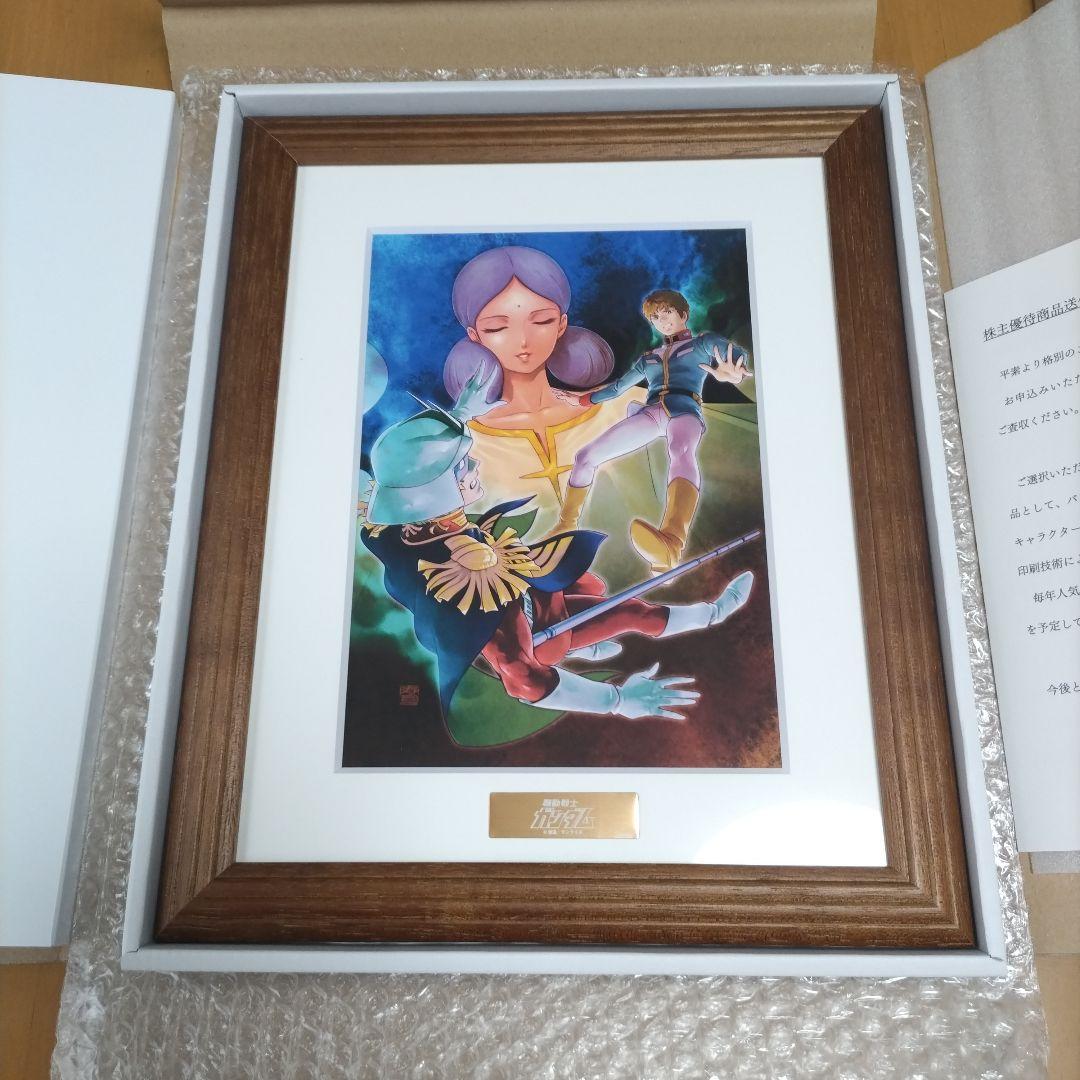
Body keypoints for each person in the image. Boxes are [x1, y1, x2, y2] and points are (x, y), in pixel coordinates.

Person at [359, 377, 755, 726]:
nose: (475, 465)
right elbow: (521, 677)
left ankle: (711, 614)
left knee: (615, 600)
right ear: (435, 492)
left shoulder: (418, 528)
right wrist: (618, 701)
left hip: (536, 604)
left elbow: (407, 471)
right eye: (462, 466)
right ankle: (708, 615)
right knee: (629, 611)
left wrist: (460, 415)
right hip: (541, 638)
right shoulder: (460, 584)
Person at [442, 245, 651, 549]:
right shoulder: (460, 445)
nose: (523, 340)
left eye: (541, 321)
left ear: (561, 324)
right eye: (498, 327)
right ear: (475, 335)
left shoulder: (621, 407)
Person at [551, 289, 752, 573]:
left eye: (667, 312)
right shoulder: (649, 359)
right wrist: (583, 400)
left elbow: (736, 355)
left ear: (683, 314)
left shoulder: (702, 344)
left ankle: (672, 543)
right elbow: (618, 388)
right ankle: (566, 526)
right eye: (656, 317)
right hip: (651, 413)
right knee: (585, 456)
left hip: (684, 411)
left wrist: (733, 372)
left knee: (681, 451)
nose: (662, 320)